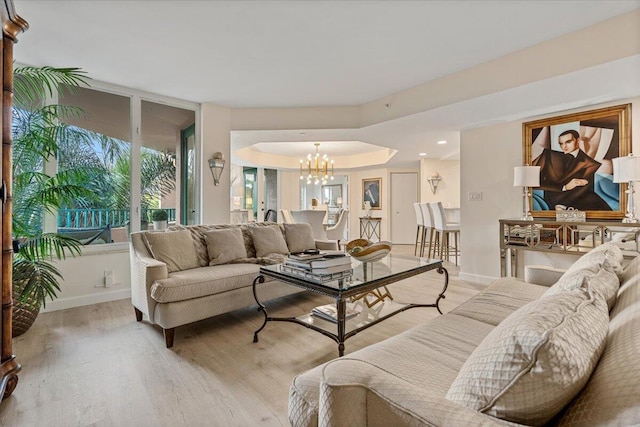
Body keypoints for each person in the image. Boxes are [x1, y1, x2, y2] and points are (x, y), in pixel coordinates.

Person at [532, 129, 611, 211]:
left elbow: (585, 188)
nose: (564, 146)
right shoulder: (549, 155)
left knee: (601, 206)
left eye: (568, 142)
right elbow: (535, 181)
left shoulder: (590, 163)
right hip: (555, 198)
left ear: (578, 141)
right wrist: (564, 187)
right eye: (561, 143)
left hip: (578, 199)